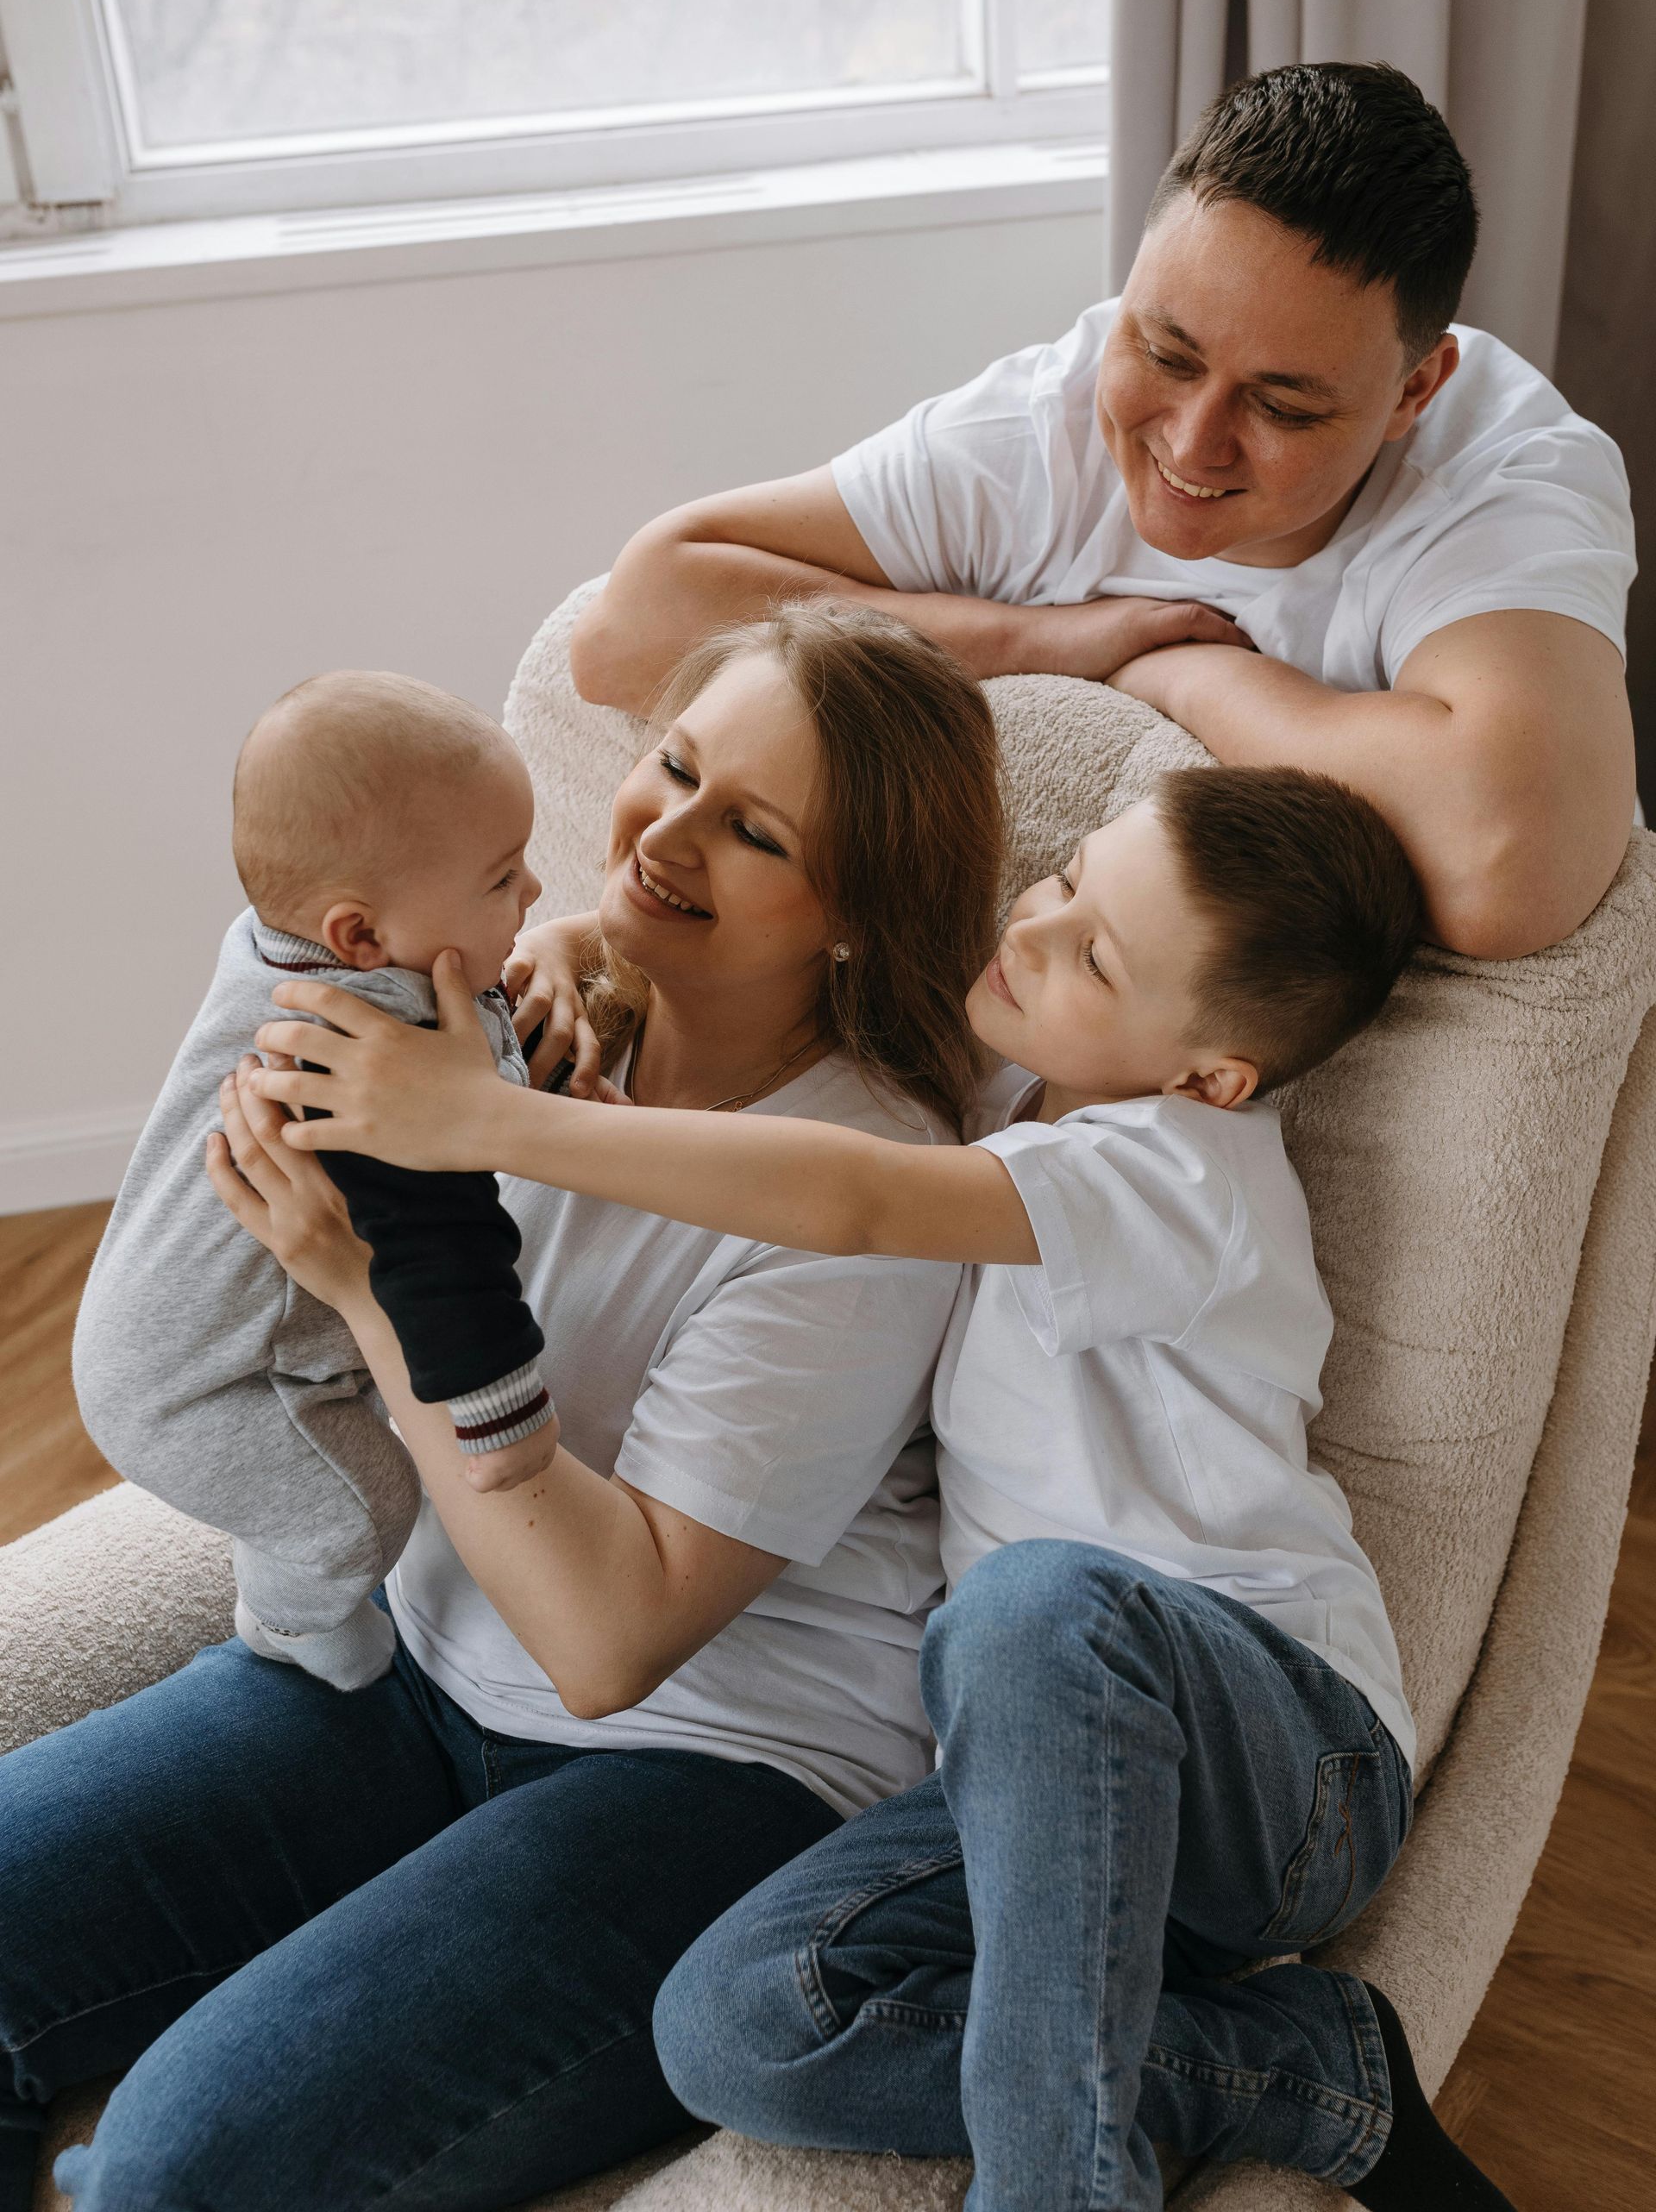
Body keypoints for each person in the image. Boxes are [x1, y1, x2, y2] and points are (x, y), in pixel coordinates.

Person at [243, 764, 1514, 2210]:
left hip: (1278, 1769)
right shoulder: (1001, 1081)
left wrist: (484, 1125)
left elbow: (845, 1193)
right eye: (1066, 882)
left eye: (1095, 954)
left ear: (1214, 1072)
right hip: (1051, 1781)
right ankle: (1310, 2076)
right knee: (735, 2021)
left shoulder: (1183, 1172)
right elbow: (800, 1042)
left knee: (1037, 1608)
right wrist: (583, 944)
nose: (1031, 931)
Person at [0, 604, 1001, 2212]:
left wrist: (370, 1285)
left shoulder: (866, 1200)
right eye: (673, 768)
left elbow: (610, 1645)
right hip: (414, 1669)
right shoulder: (501, 1022)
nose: (664, 835)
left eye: (749, 831)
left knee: (185, 2167)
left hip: (698, 1772)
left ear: (855, 918)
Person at [570, 61, 1637, 963]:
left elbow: (1508, 868)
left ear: (1415, 391)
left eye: (1281, 405)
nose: (1190, 440)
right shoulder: (1045, 423)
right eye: (1164, 352)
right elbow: (631, 628)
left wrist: (1184, 672)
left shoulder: (1507, 479)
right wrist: (1038, 641)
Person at [73, 672, 558, 1699]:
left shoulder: (268, 951)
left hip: (145, 1327)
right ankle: (291, 1629)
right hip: (193, 1388)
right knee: (364, 1509)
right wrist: (508, 1427)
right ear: (358, 940)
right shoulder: (364, 1059)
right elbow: (448, 1245)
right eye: (503, 878)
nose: (537, 897)